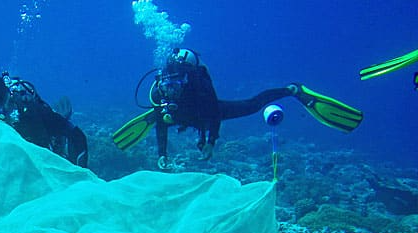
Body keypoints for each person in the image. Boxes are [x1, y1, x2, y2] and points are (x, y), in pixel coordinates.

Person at [113, 48, 364, 170]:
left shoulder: (200, 87)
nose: (171, 89)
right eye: (168, 84)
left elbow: (213, 115)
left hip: (206, 112)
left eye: (176, 83)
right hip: (180, 115)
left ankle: (293, 90)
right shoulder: (159, 93)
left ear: (187, 78)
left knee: (253, 105)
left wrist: (210, 141)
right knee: (162, 116)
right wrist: (162, 152)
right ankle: (162, 116)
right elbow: (161, 126)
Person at [0, 73, 89, 168]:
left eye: (1, 113)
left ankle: (58, 138)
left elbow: (77, 135)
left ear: (10, 102)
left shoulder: (31, 112)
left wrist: (79, 174)